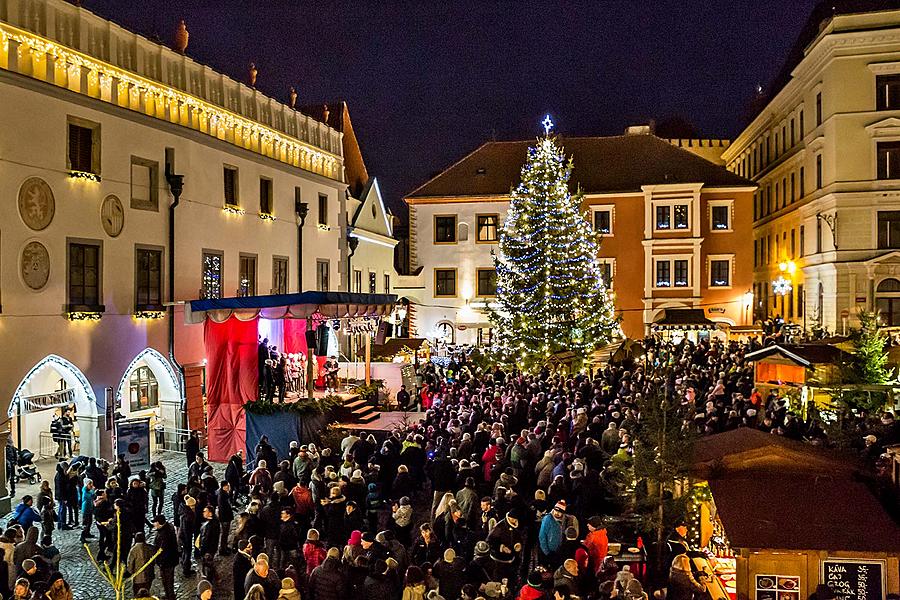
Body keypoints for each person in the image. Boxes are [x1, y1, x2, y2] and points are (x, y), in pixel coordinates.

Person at [152, 515, 178, 600]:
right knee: (167, 582)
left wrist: (161, 562)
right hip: (169, 561)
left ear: (159, 523)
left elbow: (164, 550)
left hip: (167, 562)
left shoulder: (164, 534)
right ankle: (168, 595)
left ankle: (170, 597)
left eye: (155, 522)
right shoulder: (167, 528)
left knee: (168, 582)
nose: (154, 524)